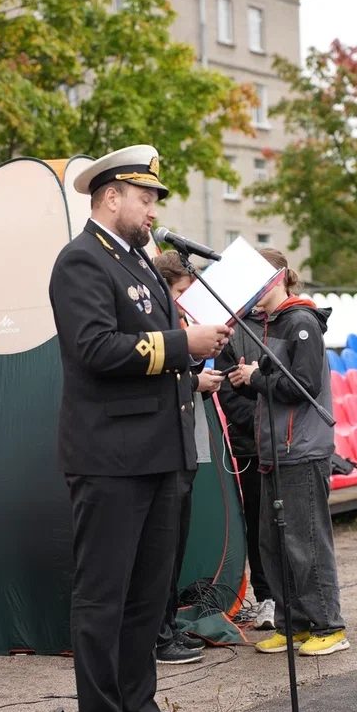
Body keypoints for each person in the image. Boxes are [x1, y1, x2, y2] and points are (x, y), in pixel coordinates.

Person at [49, 144, 232, 712]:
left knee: (148, 594)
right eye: (145, 197)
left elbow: (154, 347)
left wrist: (197, 345)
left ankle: (139, 706)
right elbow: (96, 349)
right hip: (111, 458)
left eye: (155, 199)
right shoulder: (81, 261)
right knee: (103, 595)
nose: (153, 209)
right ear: (110, 197)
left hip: (159, 453)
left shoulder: (138, 262)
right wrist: (183, 344)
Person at [228, 248, 349, 657]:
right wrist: (252, 381)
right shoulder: (271, 324)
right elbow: (277, 386)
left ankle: (328, 625)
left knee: (307, 543)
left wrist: (254, 378)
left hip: (301, 449)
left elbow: (304, 387)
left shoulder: (300, 322)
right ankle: (292, 623)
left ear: (277, 278)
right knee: (275, 543)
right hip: (275, 450)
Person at [151, 249, 223, 665]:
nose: (186, 300)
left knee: (175, 545)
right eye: (181, 291)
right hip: (163, 446)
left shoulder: (177, 324)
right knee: (161, 547)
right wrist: (195, 381)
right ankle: (159, 634)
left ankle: (166, 625)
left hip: (182, 444)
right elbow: (158, 381)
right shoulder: (156, 326)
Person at [215, 306, 276, 630]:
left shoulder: (290, 322)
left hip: (290, 443)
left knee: (292, 523)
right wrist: (268, 421)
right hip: (251, 446)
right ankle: (267, 597)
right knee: (258, 522)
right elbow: (228, 396)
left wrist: (255, 378)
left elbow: (298, 384)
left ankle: (298, 596)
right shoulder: (232, 330)